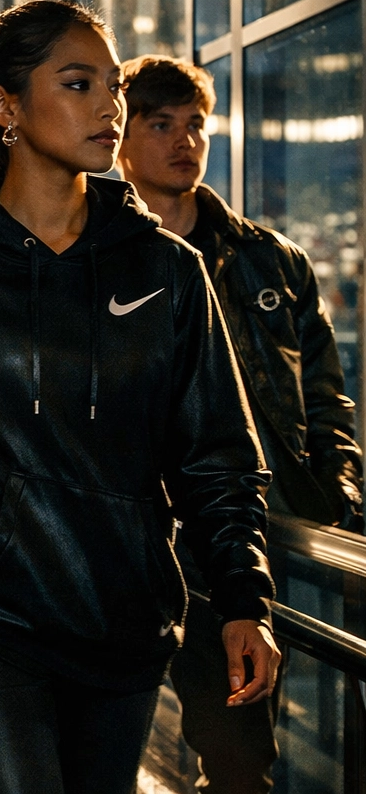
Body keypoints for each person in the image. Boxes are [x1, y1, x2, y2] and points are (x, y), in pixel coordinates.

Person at [0, 1, 278, 794]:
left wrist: (245, 597)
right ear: (4, 106)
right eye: (78, 83)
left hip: (123, 632)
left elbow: (216, 456)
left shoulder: (168, 270)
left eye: (113, 85)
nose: (109, 107)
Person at [116, 54, 362, 792]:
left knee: (239, 760)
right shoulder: (93, 256)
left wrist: (336, 489)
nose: (185, 141)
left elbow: (325, 398)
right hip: (128, 534)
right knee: (99, 752)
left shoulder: (271, 262)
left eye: (196, 124)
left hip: (235, 536)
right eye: (161, 124)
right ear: (120, 135)